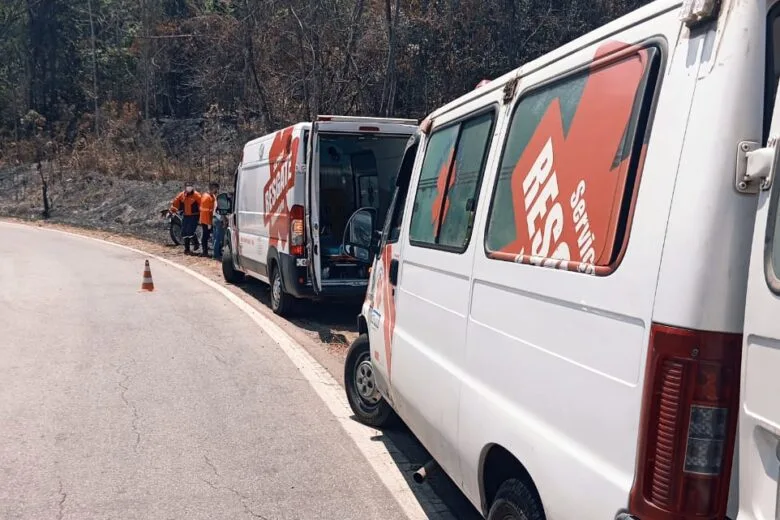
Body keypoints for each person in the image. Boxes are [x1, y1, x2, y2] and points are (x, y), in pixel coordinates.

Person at [170, 182, 201, 255]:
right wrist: (172, 210)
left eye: (190, 186)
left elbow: (201, 206)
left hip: (194, 216)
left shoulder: (197, 195)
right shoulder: (182, 195)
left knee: (190, 232)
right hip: (185, 216)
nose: (189, 188)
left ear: (193, 187)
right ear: (185, 187)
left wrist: (202, 216)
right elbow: (175, 203)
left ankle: (196, 243)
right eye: (187, 186)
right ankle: (187, 249)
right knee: (184, 232)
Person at [199, 182, 217, 257]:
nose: (217, 190)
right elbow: (206, 212)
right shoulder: (207, 198)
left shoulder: (211, 196)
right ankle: (205, 252)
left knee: (206, 236)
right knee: (205, 236)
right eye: (216, 189)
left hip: (207, 219)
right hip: (206, 220)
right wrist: (209, 223)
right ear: (213, 189)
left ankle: (205, 251)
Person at [211, 182, 225, 260]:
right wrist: (224, 221)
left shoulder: (216, 198)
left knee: (215, 237)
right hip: (218, 219)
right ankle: (216, 255)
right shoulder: (220, 200)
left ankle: (215, 253)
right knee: (218, 238)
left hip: (214, 218)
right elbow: (222, 212)